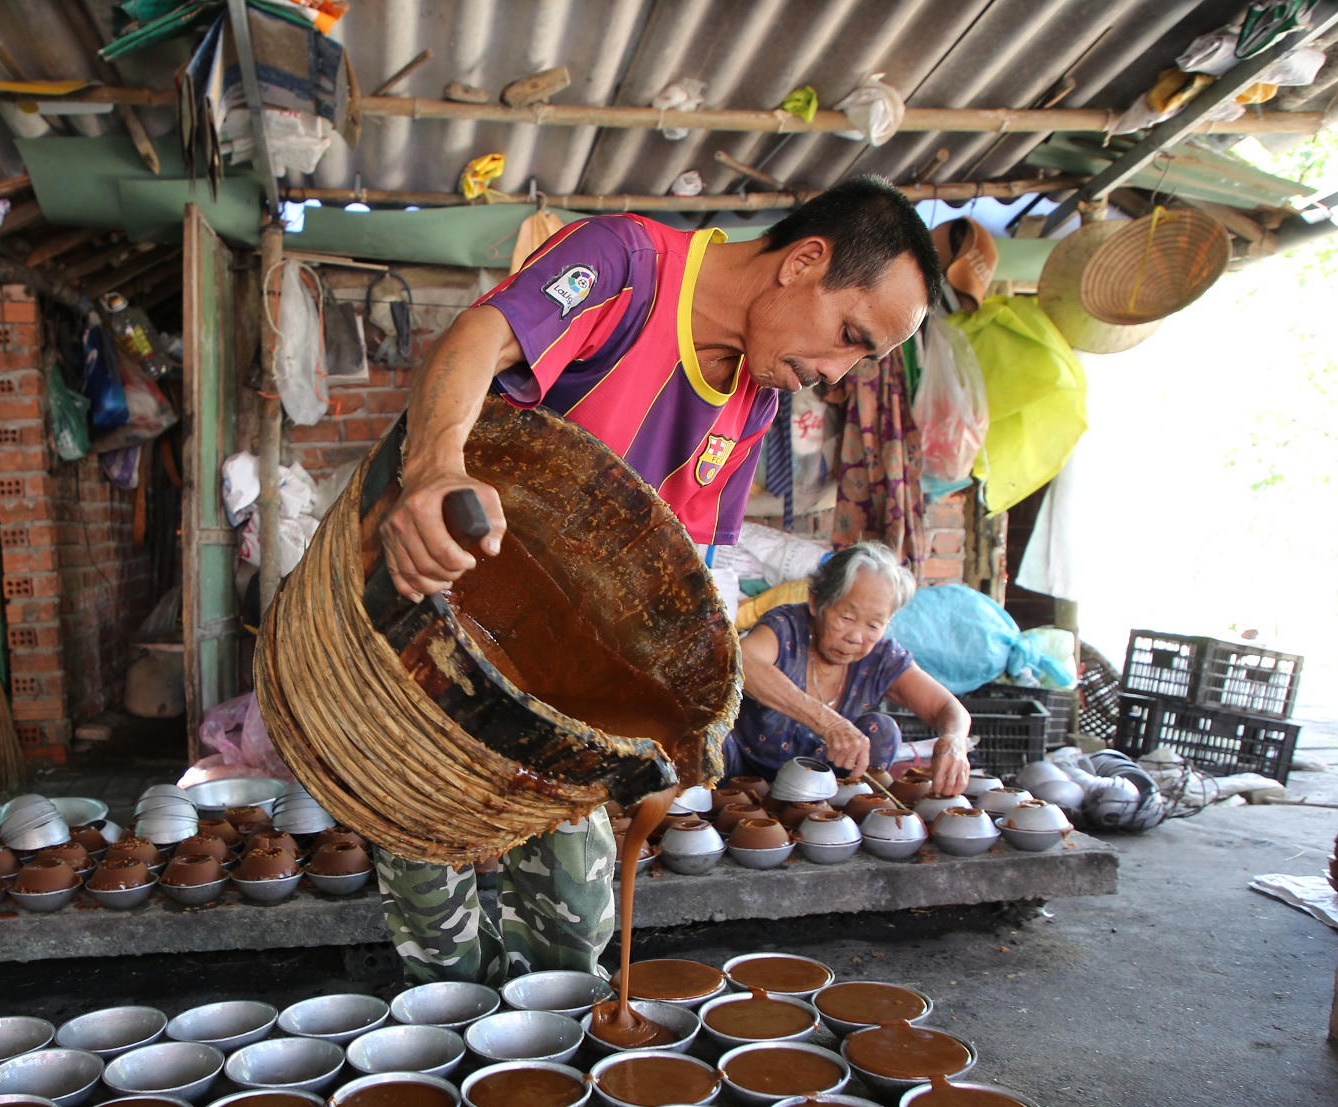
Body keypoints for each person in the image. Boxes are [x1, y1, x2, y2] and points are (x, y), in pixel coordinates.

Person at [372, 178, 946, 985]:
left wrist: (701, 701)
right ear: (805, 261)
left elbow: (701, 574)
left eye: (862, 357)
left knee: (576, 931)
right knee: (443, 950)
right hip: (445, 641)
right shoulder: (627, 264)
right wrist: (434, 467)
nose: (838, 373)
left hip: (568, 693)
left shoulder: (752, 406)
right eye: (849, 335)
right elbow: (477, 339)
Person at [728, 542, 972, 796]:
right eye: (846, 618)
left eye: (874, 625)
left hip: (824, 787)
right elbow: (743, 662)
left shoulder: (882, 655)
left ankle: (843, 817)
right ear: (816, 602)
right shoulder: (786, 626)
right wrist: (828, 722)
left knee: (883, 731)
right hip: (745, 776)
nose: (856, 637)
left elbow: (948, 708)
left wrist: (954, 741)